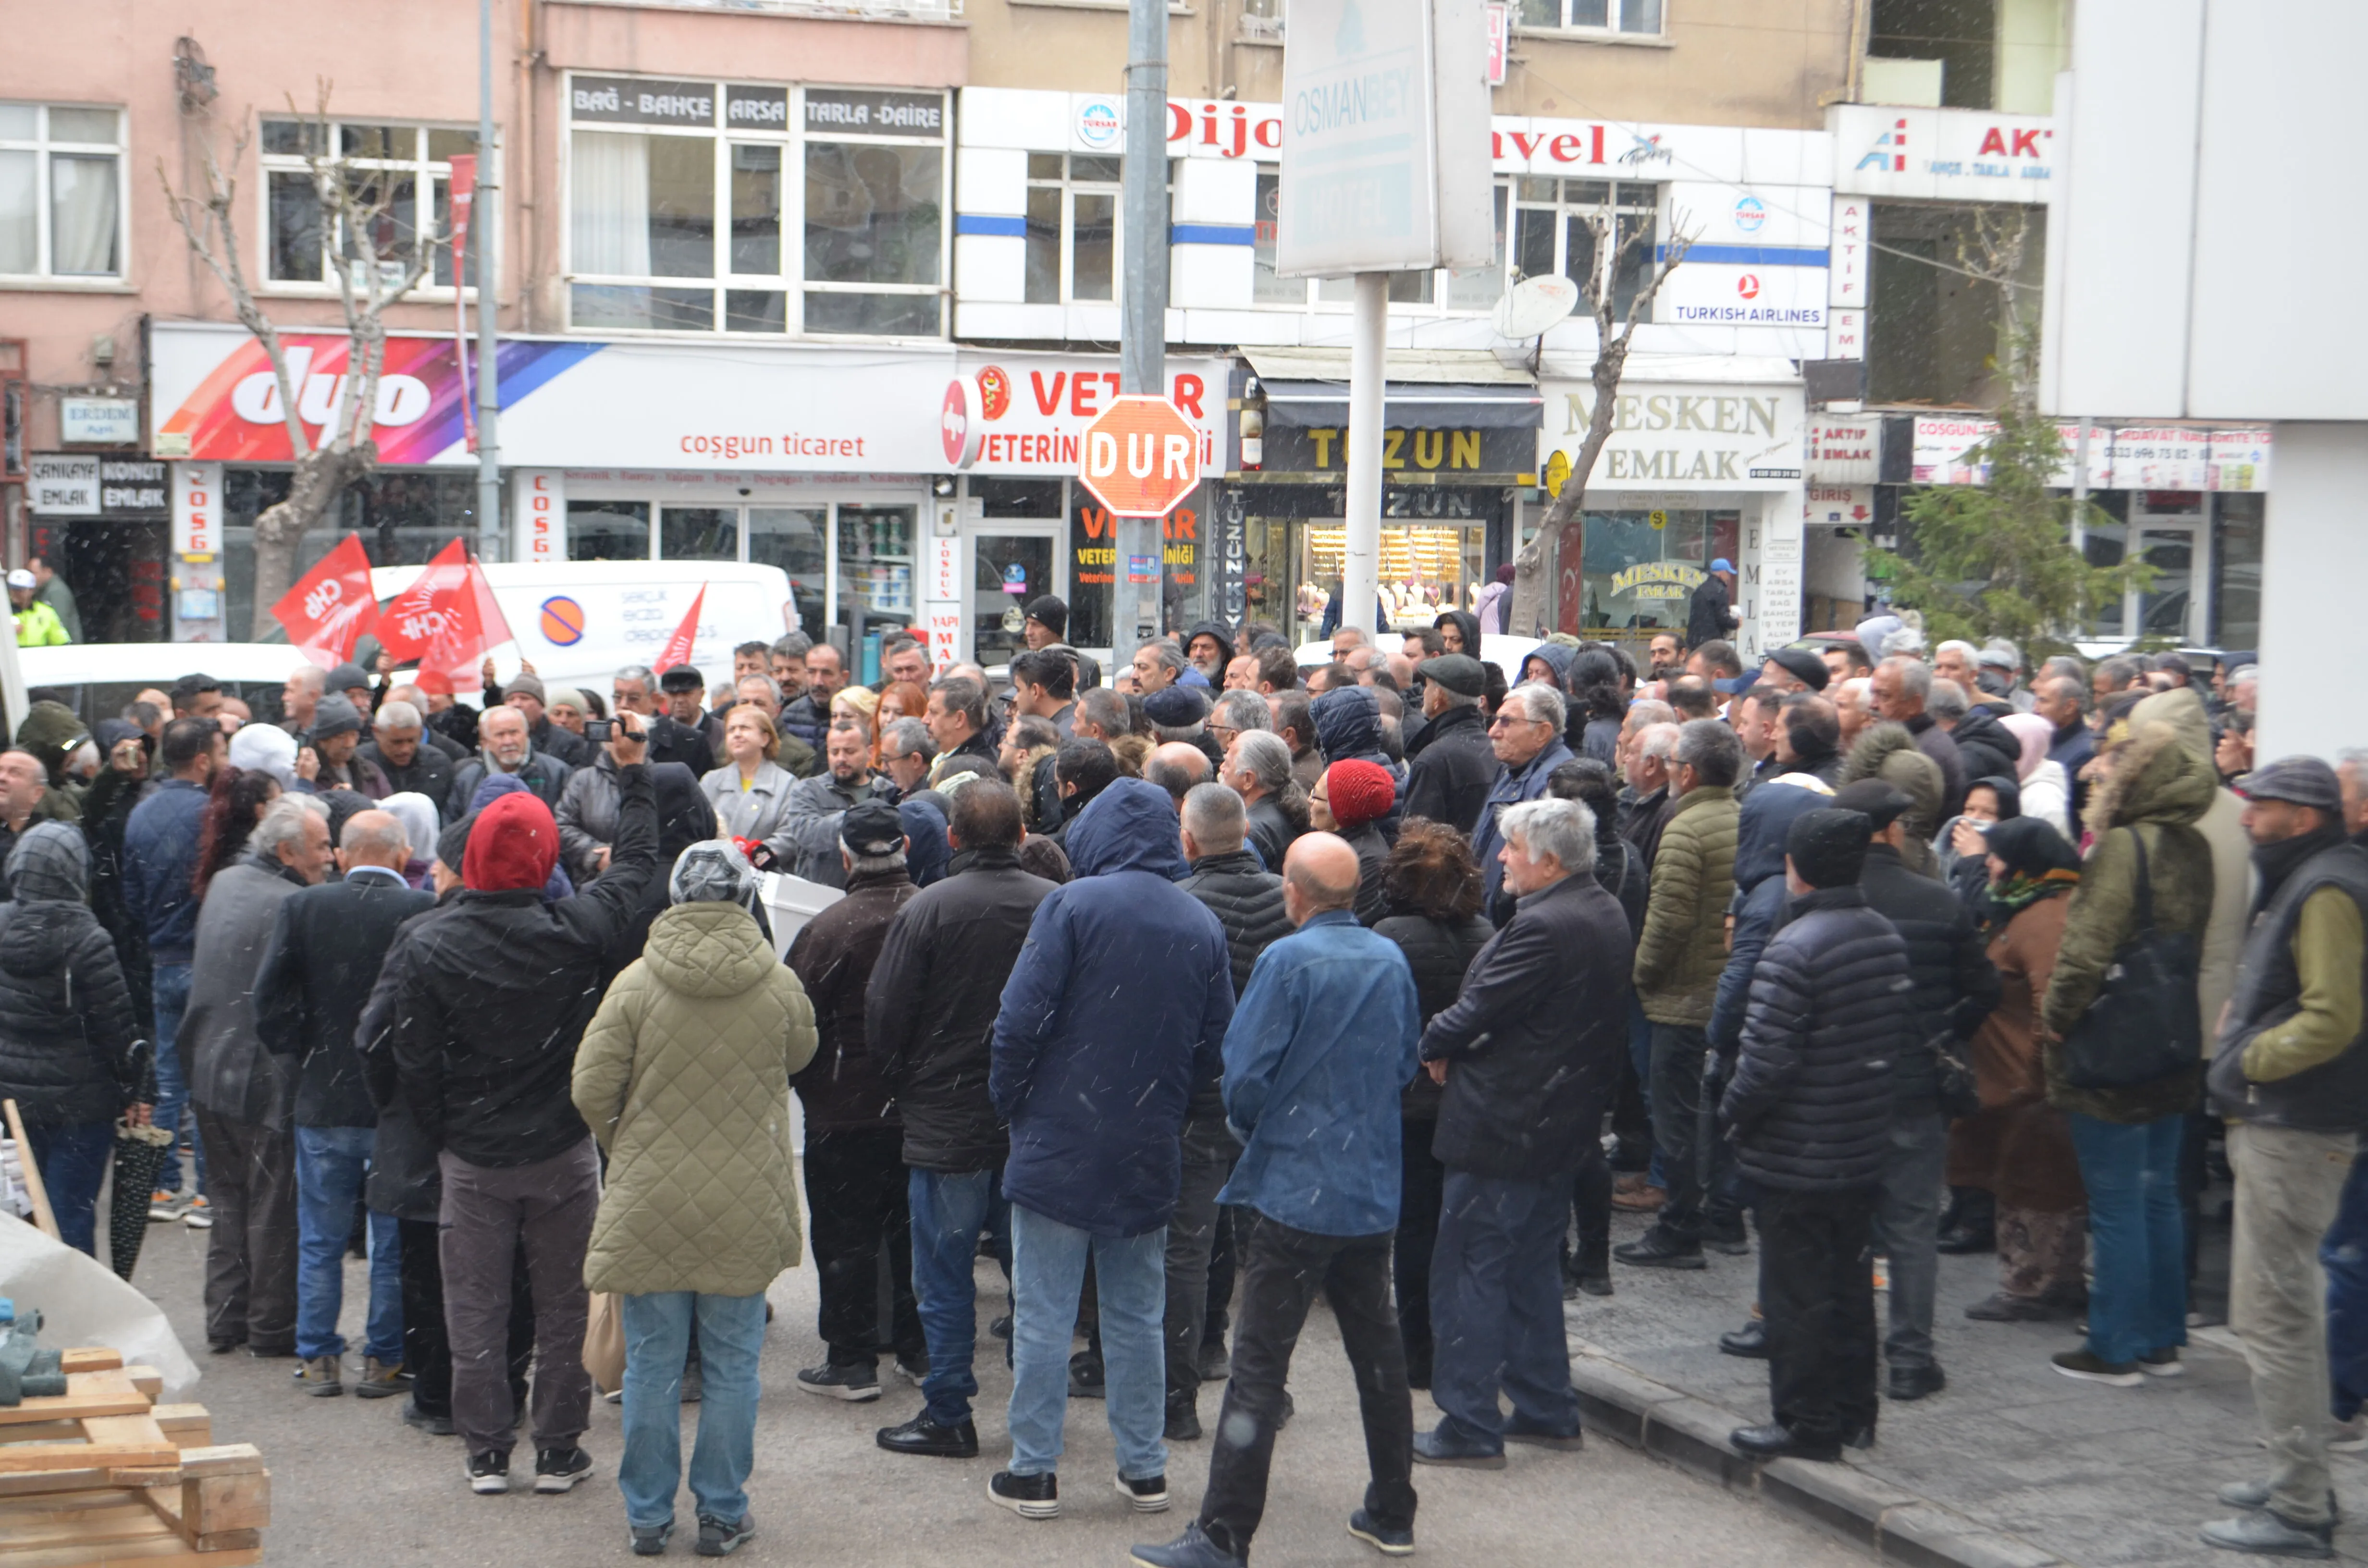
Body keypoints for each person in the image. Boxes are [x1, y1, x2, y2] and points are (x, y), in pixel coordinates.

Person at [1131, 833, 1421, 1568]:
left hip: (1298, 1189)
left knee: (1259, 1367)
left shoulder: (1287, 961)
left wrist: (1258, 1126)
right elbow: (1404, 1063)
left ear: (1293, 893)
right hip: (1369, 1186)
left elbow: (1247, 1075)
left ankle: (1224, 1534)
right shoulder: (1389, 957)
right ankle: (1393, 1510)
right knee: (1377, 1354)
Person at [385, 715, 658, 1496]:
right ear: (545, 858)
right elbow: (636, 866)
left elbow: (412, 1055)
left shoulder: (430, 942)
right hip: (561, 1145)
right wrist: (632, 774)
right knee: (565, 1301)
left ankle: (486, 1448)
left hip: (472, 1150)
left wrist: (445, 1130)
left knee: (474, 1303)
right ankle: (559, 1445)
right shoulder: (574, 930)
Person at [985, 777, 1233, 1519]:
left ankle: (1034, 1469)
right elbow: (1214, 1046)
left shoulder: (1071, 905)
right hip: (1146, 1136)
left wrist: (1012, 1106)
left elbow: (1019, 1020)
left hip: (1060, 1133)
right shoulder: (1199, 922)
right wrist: (1167, 1110)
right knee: (1136, 1310)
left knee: (1045, 1310)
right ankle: (1143, 1467)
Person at [574, 840, 815, 1558]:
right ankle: (720, 1512)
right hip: (745, 1196)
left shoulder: (636, 984)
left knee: (651, 1362)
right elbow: (800, 1053)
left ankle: (648, 1516)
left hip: (650, 1196)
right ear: (746, 900)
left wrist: (627, 1145)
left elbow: (590, 1088)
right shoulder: (776, 982)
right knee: (735, 1364)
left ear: (675, 898)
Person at [1415, 798, 1630, 1467]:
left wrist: (1434, 1042)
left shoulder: (1548, 926)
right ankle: (1544, 1406)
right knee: (1530, 1271)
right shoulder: (1600, 908)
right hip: (1553, 1123)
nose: (1500, 858)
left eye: (1512, 848)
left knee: (1472, 1273)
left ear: (1551, 861)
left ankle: (1470, 1422)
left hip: (1506, 1124)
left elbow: (1478, 1010)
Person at [2193, 758, 2368, 1557]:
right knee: (2277, 1312)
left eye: (2259, 804)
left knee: (2278, 1315)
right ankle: (2290, 1472)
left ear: (2298, 816)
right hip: (2289, 1119)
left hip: (2292, 1123)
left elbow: (2330, 1016)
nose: (2246, 813)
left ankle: (2299, 1504)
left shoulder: (2326, 883)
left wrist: (2247, 1059)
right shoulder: (2315, 872)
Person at [868, 789, 1056, 1459]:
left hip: (947, 1116)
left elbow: (885, 1015)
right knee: (1034, 1276)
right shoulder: (1051, 903)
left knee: (944, 1275)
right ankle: (1037, 1414)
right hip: (1033, 1115)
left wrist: (907, 1085)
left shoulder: (929, 909)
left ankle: (949, 1409)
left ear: (951, 838)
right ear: (1023, 833)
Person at [1722, 808, 1905, 1462]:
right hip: (1858, 1145)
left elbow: (1765, 1064)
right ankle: (1857, 1411)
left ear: (1796, 868)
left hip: (1797, 1152)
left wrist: (1732, 1113)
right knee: (1849, 1285)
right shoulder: (1881, 932)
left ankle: (1806, 1422)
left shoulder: (1795, 947)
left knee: (1796, 1293)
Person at [2042, 716, 2216, 1388]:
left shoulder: (2122, 848)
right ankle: (2163, 1339)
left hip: (2113, 1046)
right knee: (2159, 1198)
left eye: (2116, 761)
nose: (2103, 770)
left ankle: (2113, 1347)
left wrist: (2057, 1019)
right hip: (2172, 1036)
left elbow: (2086, 951)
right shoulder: (2193, 845)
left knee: (2116, 1202)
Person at [1828, 780, 2001, 1405]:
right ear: (1894, 830)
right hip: (1914, 1087)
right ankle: (1910, 1359)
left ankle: (1845, 1353)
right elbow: (1985, 989)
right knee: (1911, 1229)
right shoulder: (1938, 901)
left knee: (1843, 1226)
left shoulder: (1825, 903)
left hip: (1841, 1092)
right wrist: (1943, 1031)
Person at [253, 809, 432, 1397]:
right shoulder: (420, 912)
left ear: (345, 856)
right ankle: (383, 1358)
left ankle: (318, 1356)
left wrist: (302, 1054)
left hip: (323, 1095)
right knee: (388, 1241)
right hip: (393, 1103)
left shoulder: (305, 908)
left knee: (320, 1236)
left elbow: (268, 1002)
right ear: (402, 857)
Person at [784, 800, 926, 1402]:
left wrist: (813, 1085)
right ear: (907, 849)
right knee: (917, 1235)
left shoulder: (828, 928)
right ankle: (921, 1349)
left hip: (845, 1109)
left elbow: (796, 1020)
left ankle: (852, 1358)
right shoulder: (933, 912)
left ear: (844, 856)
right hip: (924, 1105)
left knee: (846, 1236)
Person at [1163, 782, 1292, 1438]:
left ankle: (1179, 1399)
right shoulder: (1285, 901)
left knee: (1189, 1247)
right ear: (1245, 835)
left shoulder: (1179, 908)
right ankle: (1268, 1391)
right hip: (1274, 1101)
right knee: (1267, 1251)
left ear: (1187, 842)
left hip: (1202, 1101)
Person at [185, 794, 332, 1355]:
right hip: (260, 1071)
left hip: (207, 1062)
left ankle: (225, 1320)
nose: (330, 855)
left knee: (228, 1199)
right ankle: (270, 1329)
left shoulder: (225, 882)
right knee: (272, 1205)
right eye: (320, 846)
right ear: (289, 850)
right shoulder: (293, 903)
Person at [1951, 817, 2088, 1323]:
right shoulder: (2026, 907)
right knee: (2028, 1179)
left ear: (2024, 863)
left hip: (2028, 1087)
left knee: (2034, 1184)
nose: (1986, 862)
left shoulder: (2043, 918)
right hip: (2016, 1082)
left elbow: (2050, 1002)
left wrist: (2033, 1075)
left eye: (1995, 855)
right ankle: (2051, 1280)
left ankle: (2033, 1285)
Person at [1617, 719, 1743, 1270]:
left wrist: (1639, 976)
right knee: (1706, 1109)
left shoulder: (1684, 827)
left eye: (1671, 766)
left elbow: (1666, 920)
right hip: (1717, 987)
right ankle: (1718, 1217)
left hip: (1678, 994)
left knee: (1674, 1114)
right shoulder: (1739, 817)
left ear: (1686, 773)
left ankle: (1678, 1230)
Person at [1373, 822, 1495, 1385]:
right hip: (1466, 1100)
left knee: (1415, 1227)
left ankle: (1416, 1348)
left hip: (1405, 1101)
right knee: (1461, 1228)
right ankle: (1458, 1342)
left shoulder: (1388, 935)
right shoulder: (1485, 934)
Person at [0, 823, 145, 1257]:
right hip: (81, 1104)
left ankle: (24, 1311)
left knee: (20, 1215)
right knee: (71, 1214)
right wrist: (134, 1086)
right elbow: (116, 1024)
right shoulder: (87, 937)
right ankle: (76, 1314)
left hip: (12, 1100)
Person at [123, 716, 223, 1218]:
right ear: (203, 759)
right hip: (205, 960)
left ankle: (161, 1186)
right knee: (206, 1080)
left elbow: (132, 896)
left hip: (163, 960)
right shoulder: (212, 814)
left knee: (168, 1080)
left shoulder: (142, 814)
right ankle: (206, 1190)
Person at [1472, 684, 1575, 921]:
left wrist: (1501, 911)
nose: (1493, 732)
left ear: (1542, 732)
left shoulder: (1556, 782)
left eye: (1506, 722)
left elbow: (1540, 870)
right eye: (1497, 720)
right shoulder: (1513, 768)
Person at [1401, 654, 1494, 834]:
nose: (1423, 693)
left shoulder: (1434, 759)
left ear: (1439, 696)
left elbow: (1416, 842)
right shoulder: (1493, 747)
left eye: (1428, 686)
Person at [1872, 657, 1968, 821]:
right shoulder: (1916, 740)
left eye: (1884, 696)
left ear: (1914, 704)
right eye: (1873, 693)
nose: (1873, 704)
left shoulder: (1923, 754)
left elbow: (1906, 824)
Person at [699, 703, 797, 852]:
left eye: (745, 728)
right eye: (731, 730)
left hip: (766, 870)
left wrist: (750, 854)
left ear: (765, 738)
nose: (737, 734)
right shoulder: (711, 781)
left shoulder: (787, 784)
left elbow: (788, 835)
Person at [449, 705, 570, 821]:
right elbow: (453, 829)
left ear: (526, 735)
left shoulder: (557, 772)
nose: (508, 741)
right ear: (485, 742)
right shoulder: (466, 777)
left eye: (514, 733)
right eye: (500, 735)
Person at [1313, 760, 1394, 926]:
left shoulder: (1368, 863)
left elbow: (1340, 926)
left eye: (1315, 795)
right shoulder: (1339, 841)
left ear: (1337, 812)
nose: (1309, 799)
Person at [1222, 732, 1306, 875]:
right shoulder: (1287, 807)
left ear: (1248, 780)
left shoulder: (1249, 832)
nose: (1222, 768)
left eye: (1228, 764)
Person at [362, 700, 454, 804]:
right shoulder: (359, 764)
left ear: (421, 733)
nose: (405, 749)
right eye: (397, 742)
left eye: (412, 741)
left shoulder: (438, 764)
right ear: (376, 732)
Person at [306, 695, 391, 799]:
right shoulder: (309, 777)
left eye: (354, 734)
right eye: (341, 736)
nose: (349, 744)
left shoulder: (370, 774)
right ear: (321, 740)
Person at [8, 569, 69, 646]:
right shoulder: (3, 611)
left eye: (20, 590)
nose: (15, 593)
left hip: (38, 656)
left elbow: (62, 642)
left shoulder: (46, 612)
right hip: (9, 657)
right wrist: (6, 633)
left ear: (31, 591)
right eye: (12, 589)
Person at [1687, 559, 1736, 650]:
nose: (1729, 577)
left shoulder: (1700, 589)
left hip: (1694, 642)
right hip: (1711, 643)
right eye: (1728, 574)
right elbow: (1723, 618)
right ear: (1722, 573)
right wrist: (1736, 623)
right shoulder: (1720, 590)